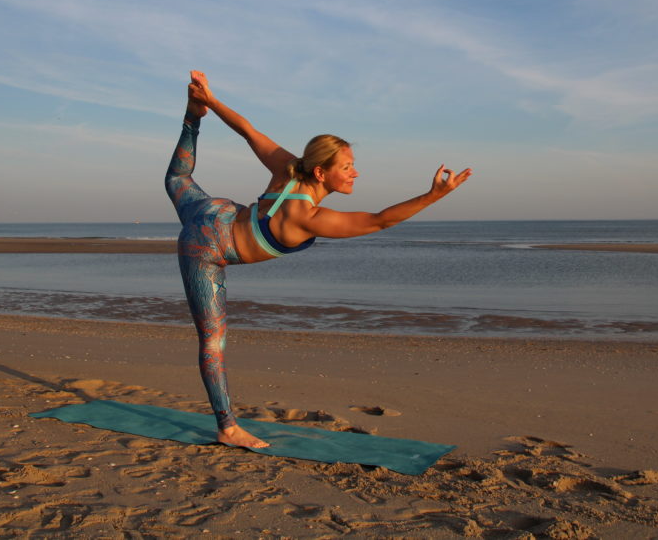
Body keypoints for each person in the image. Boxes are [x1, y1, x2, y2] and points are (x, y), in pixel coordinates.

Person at [166, 70, 472, 449]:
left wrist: (208, 102)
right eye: (347, 168)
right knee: (212, 342)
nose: (355, 173)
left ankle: (192, 116)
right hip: (206, 251)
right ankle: (228, 427)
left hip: (213, 212)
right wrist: (433, 196)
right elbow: (379, 220)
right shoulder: (308, 218)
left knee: (178, 179)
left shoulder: (288, 170)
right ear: (321, 172)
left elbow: (246, 128)